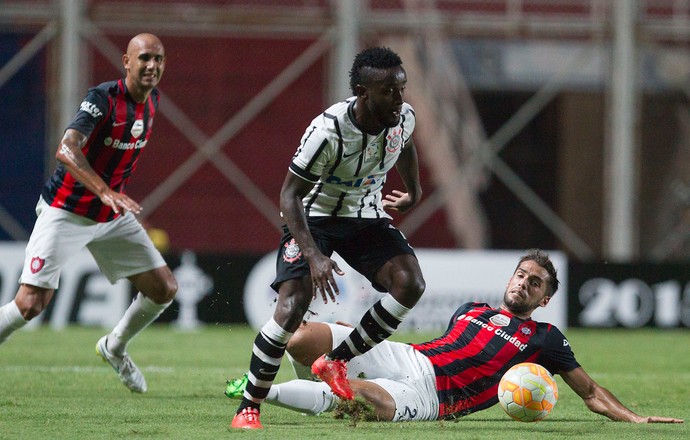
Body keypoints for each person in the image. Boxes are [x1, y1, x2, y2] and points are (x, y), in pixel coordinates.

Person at [227, 249, 684, 424]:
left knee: (367, 403)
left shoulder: (546, 338)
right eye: (521, 275)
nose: (523, 283)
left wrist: (633, 418)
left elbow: (589, 393)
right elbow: (448, 349)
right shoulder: (471, 311)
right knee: (301, 338)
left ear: (543, 299)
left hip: (436, 399)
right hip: (407, 357)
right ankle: (306, 378)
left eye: (535, 283)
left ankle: (259, 393)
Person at [230, 46, 426, 429]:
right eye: (389, 91)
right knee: (293, 305)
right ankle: (248, 406)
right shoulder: (328, 130)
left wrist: (414, 189)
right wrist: (314, 255)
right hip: (314, 217)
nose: (399, 99)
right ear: (362, 92)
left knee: (410, 284)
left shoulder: (403, 118)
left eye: (402, 89)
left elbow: (405, 143)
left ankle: (335, 360)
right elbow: (289, 196)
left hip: (365, 217)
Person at [0, 33, 177, 394]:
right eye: (144, 58)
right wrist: (105, 190)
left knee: (163, 288)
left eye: (158, 60)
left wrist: (112, 196)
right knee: (31, 304)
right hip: (67, 211)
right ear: (126, 62)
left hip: (111, 216)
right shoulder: (102, 99)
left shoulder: (153, 101)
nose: (151, 66)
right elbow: (66, 149)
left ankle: (114, 347)